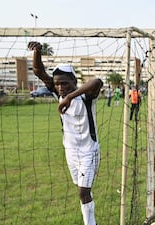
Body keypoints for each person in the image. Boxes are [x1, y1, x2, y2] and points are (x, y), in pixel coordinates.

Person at [28, 41, 103, 225]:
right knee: (82, 190)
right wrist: (37, 51)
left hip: (88, 151)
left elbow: (97, 82)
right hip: (70, 151)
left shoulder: (86, 97)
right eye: (57, 84)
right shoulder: (57, 93)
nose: (60, 87)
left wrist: (70, 97)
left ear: (74, 82)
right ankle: (89, 212)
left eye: (64, 83)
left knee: (83, 192)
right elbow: (38, 71)